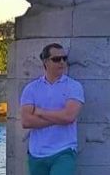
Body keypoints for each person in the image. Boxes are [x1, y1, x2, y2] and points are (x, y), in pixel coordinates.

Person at [20, 43, 85, 175]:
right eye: (56, 59)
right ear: (45, 62)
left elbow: (69, 117)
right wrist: (58, 118)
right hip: (36, 153)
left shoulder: (74, 87)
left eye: (64, 58)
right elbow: (26, 122)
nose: (61, 62)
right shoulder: (31, 88)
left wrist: (40, 112)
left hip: (64, 151)